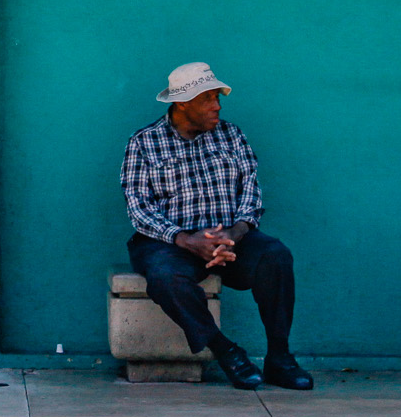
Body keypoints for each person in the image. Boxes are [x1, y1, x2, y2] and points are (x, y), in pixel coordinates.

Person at [120, 62, 311, 391]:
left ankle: (279, 358)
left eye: (217, 98)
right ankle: (226, 351)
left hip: (230, 237)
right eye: (208, 98)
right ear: (182, 103)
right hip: (170, 242)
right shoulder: (144, 143)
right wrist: (185, 239)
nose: (217, 106)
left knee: (276, 256)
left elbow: (251, 191)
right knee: (165, 278)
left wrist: (233, 234)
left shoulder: (232, 135)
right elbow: (139, 207)